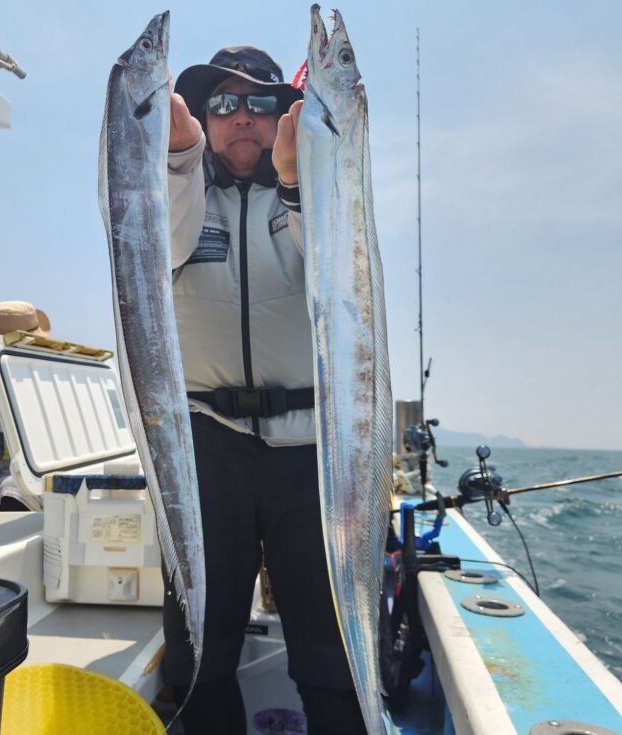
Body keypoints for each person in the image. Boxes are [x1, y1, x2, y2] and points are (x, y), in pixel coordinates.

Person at [164, 47, 367, 734]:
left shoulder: (312, 197)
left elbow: (336, 275)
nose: (242, 117)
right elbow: (158, 242)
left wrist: (292, 181)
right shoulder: (185, 194)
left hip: (308, 454)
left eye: (260, 102)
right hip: (205, 449)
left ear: (285, 116)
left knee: (329, 660)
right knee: (199, 661)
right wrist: (181, 155)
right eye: (222, 103)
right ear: (204, 118)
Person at [0, 301, 51, 513]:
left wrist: (10, 424)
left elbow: (53, 441)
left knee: (14, 492)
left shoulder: (42, 385)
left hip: (22, 469)